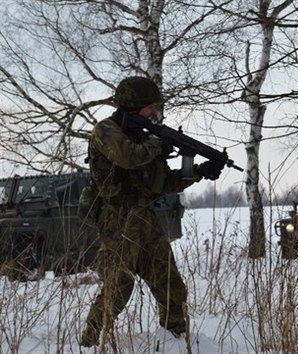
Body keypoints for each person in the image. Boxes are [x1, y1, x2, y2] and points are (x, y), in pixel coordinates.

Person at [80, 76, 225, 347]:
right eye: (151, 107)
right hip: (118, 221)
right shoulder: (106, 130)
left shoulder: (145, 138)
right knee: (119, 286)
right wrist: (159, 144)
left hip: (146, 220)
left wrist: (198, 172)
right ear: (134, 106)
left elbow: (161, 184)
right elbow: (127, 157)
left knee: (170, 283)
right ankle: (88, 340)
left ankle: (175, 339)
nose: (155, 112)